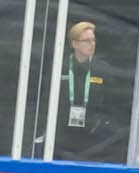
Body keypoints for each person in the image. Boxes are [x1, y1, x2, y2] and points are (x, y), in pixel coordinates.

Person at [38, 20, 121, 163]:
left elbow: (112, 104)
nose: (92, 44)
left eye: (93, 40)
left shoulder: (103, 70)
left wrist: (101, 125)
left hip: (92, 139)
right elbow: (46, 99)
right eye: (86, 41)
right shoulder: (59, 67)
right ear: (74, 44)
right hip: (60, 138)